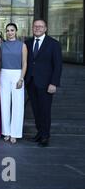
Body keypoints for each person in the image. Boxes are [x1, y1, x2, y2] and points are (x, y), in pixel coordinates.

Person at [25, 19, 62, 147]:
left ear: (45, 28)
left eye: (40, 26)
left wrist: (54, 83)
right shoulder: (28, 43)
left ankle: (45, 136)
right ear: (32, 28)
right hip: (31, 82)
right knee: (35, 110)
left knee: (45, 111)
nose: (37, 28)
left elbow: (57, 66)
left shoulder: (53, 44)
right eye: (35, 26)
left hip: (46, 83)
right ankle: (39, 133)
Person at [0, 23, 28, 144]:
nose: (9, 32)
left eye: (12, 30)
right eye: (7, 31)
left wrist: (21, 78)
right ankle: (6, 131)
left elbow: (25, 63)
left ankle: (15, 133)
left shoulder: (22, 46)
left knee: (17, 104)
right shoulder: (1, 45)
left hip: (17, 74)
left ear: (16, 32)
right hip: (4, 74)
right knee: (4, 103)